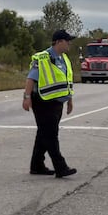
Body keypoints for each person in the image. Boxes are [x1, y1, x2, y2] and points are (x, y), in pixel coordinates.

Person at [22, 29, 77, 178]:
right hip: (42, 101)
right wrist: (26, 97)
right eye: (67, 41)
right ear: (58, 42)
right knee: (51, 135)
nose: (69, 44)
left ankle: (37, 165)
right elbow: (31, 78)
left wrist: (69, 100)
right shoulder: (42, 58)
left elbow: (67, 81)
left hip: (57, 103)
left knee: (44, 134)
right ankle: (61, 167)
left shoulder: (64, 59)